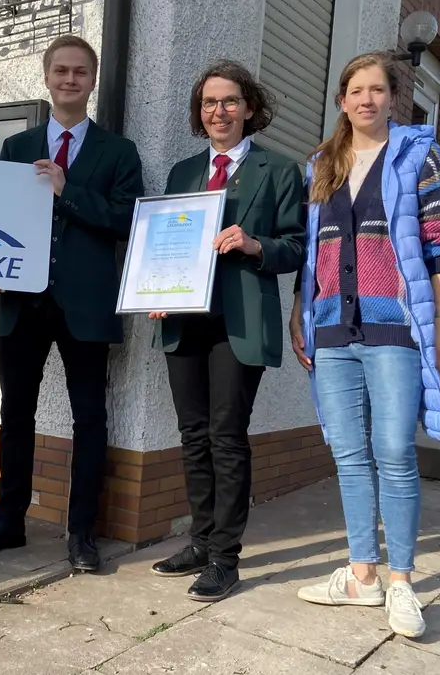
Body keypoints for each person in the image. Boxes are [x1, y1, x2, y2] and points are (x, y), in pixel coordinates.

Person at [0, 35, 144, 573]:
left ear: (92, 81)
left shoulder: (118, 151)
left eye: (79, 72)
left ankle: (81, 532)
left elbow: (127, 220)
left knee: (90, 419)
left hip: (85, 305)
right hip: (22, 302)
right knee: (15, 414)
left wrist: (69, 191)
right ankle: (9, 520)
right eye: (60, 70)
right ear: (47, 77)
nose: (69, 80)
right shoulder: (16, 146)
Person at [288, 51, 440, 639]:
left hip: (395, 328)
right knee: (349, 456)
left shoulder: (419, 154)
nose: (367, 100)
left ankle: (403, 581)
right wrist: (300, 313)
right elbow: (312, 253)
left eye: (378, 90)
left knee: (394, 451)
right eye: (356, 91)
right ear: (342, 100)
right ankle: (363, 576)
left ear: (392, 99)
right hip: (333, 327)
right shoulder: (321, 162)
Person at [147, 60, 306, 602]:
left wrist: (254, 243)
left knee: (226, 438)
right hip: (184, 322)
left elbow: (297, 248)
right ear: (200, 112)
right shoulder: (181, 174)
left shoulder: (279, 171)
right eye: (210, 103)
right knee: (193, 438)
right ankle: (198, 541)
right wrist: (155, 289)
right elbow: (164, 243)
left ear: (250, 108)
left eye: (230, 101)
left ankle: (225, 558)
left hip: (238, 323)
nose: (219, 111)